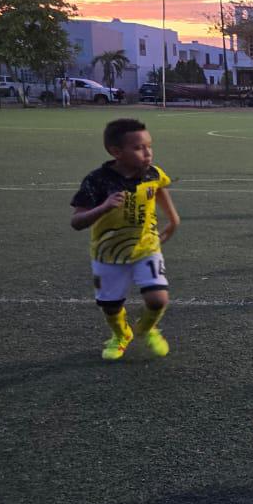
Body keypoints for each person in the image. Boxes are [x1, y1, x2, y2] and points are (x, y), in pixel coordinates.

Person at [70, 118, 179, 361]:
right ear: (116, 152)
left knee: (158, 298)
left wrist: (173, 219)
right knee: (110, 306)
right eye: (139, 148)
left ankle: (146, 328)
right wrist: (103, 208)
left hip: (146, 247)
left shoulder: (152, 173)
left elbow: (159, 188)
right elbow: (76, 221)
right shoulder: (97, 181)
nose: (147, 153)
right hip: (108, 253)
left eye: (149, 146)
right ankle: (121, 335)